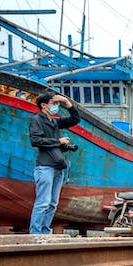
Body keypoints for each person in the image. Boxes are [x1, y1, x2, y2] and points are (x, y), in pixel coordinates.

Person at [28, 92, 80, 234]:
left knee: (52, 204)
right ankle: (35, 233)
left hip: (58, 167)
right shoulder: (37, 120)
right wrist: (58, 141)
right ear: (44, 105)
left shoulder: (55, 122)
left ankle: (44, 232)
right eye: (54, 103)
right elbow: (35, 140)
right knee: (43, 202)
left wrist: (66, 102)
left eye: (57, 104)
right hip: (45, 167)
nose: (56, 106)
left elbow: (75, 119)